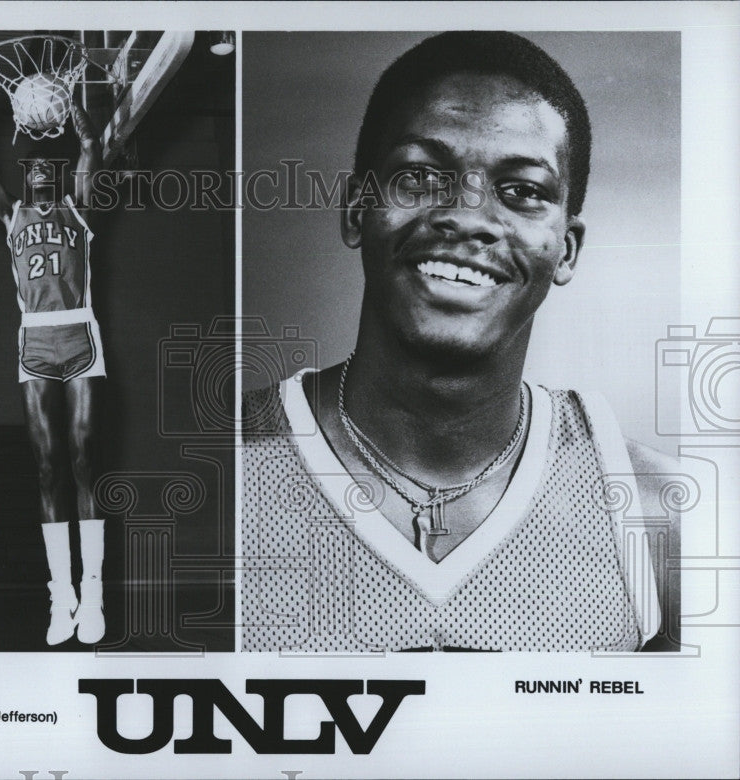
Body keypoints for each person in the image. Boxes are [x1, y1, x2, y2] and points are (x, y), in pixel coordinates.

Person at [242, 32, 680, 652]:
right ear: (355, 211)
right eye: (420, 176)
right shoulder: (219, 464)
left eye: (523, 191)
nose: (468, 217)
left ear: (566, 249)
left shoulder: (657, 509)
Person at [0, 69, 106, 646]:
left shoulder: (79, 211)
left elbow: (92, 146)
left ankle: (93, 595)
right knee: (47, 467)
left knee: (85, 459)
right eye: (36, 166)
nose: (42, 169)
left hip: (79, 338)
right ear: (28, 176)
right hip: (33, 341)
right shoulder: (12, 217)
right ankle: (62, 597)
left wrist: (69, 105)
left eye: (51, 165)